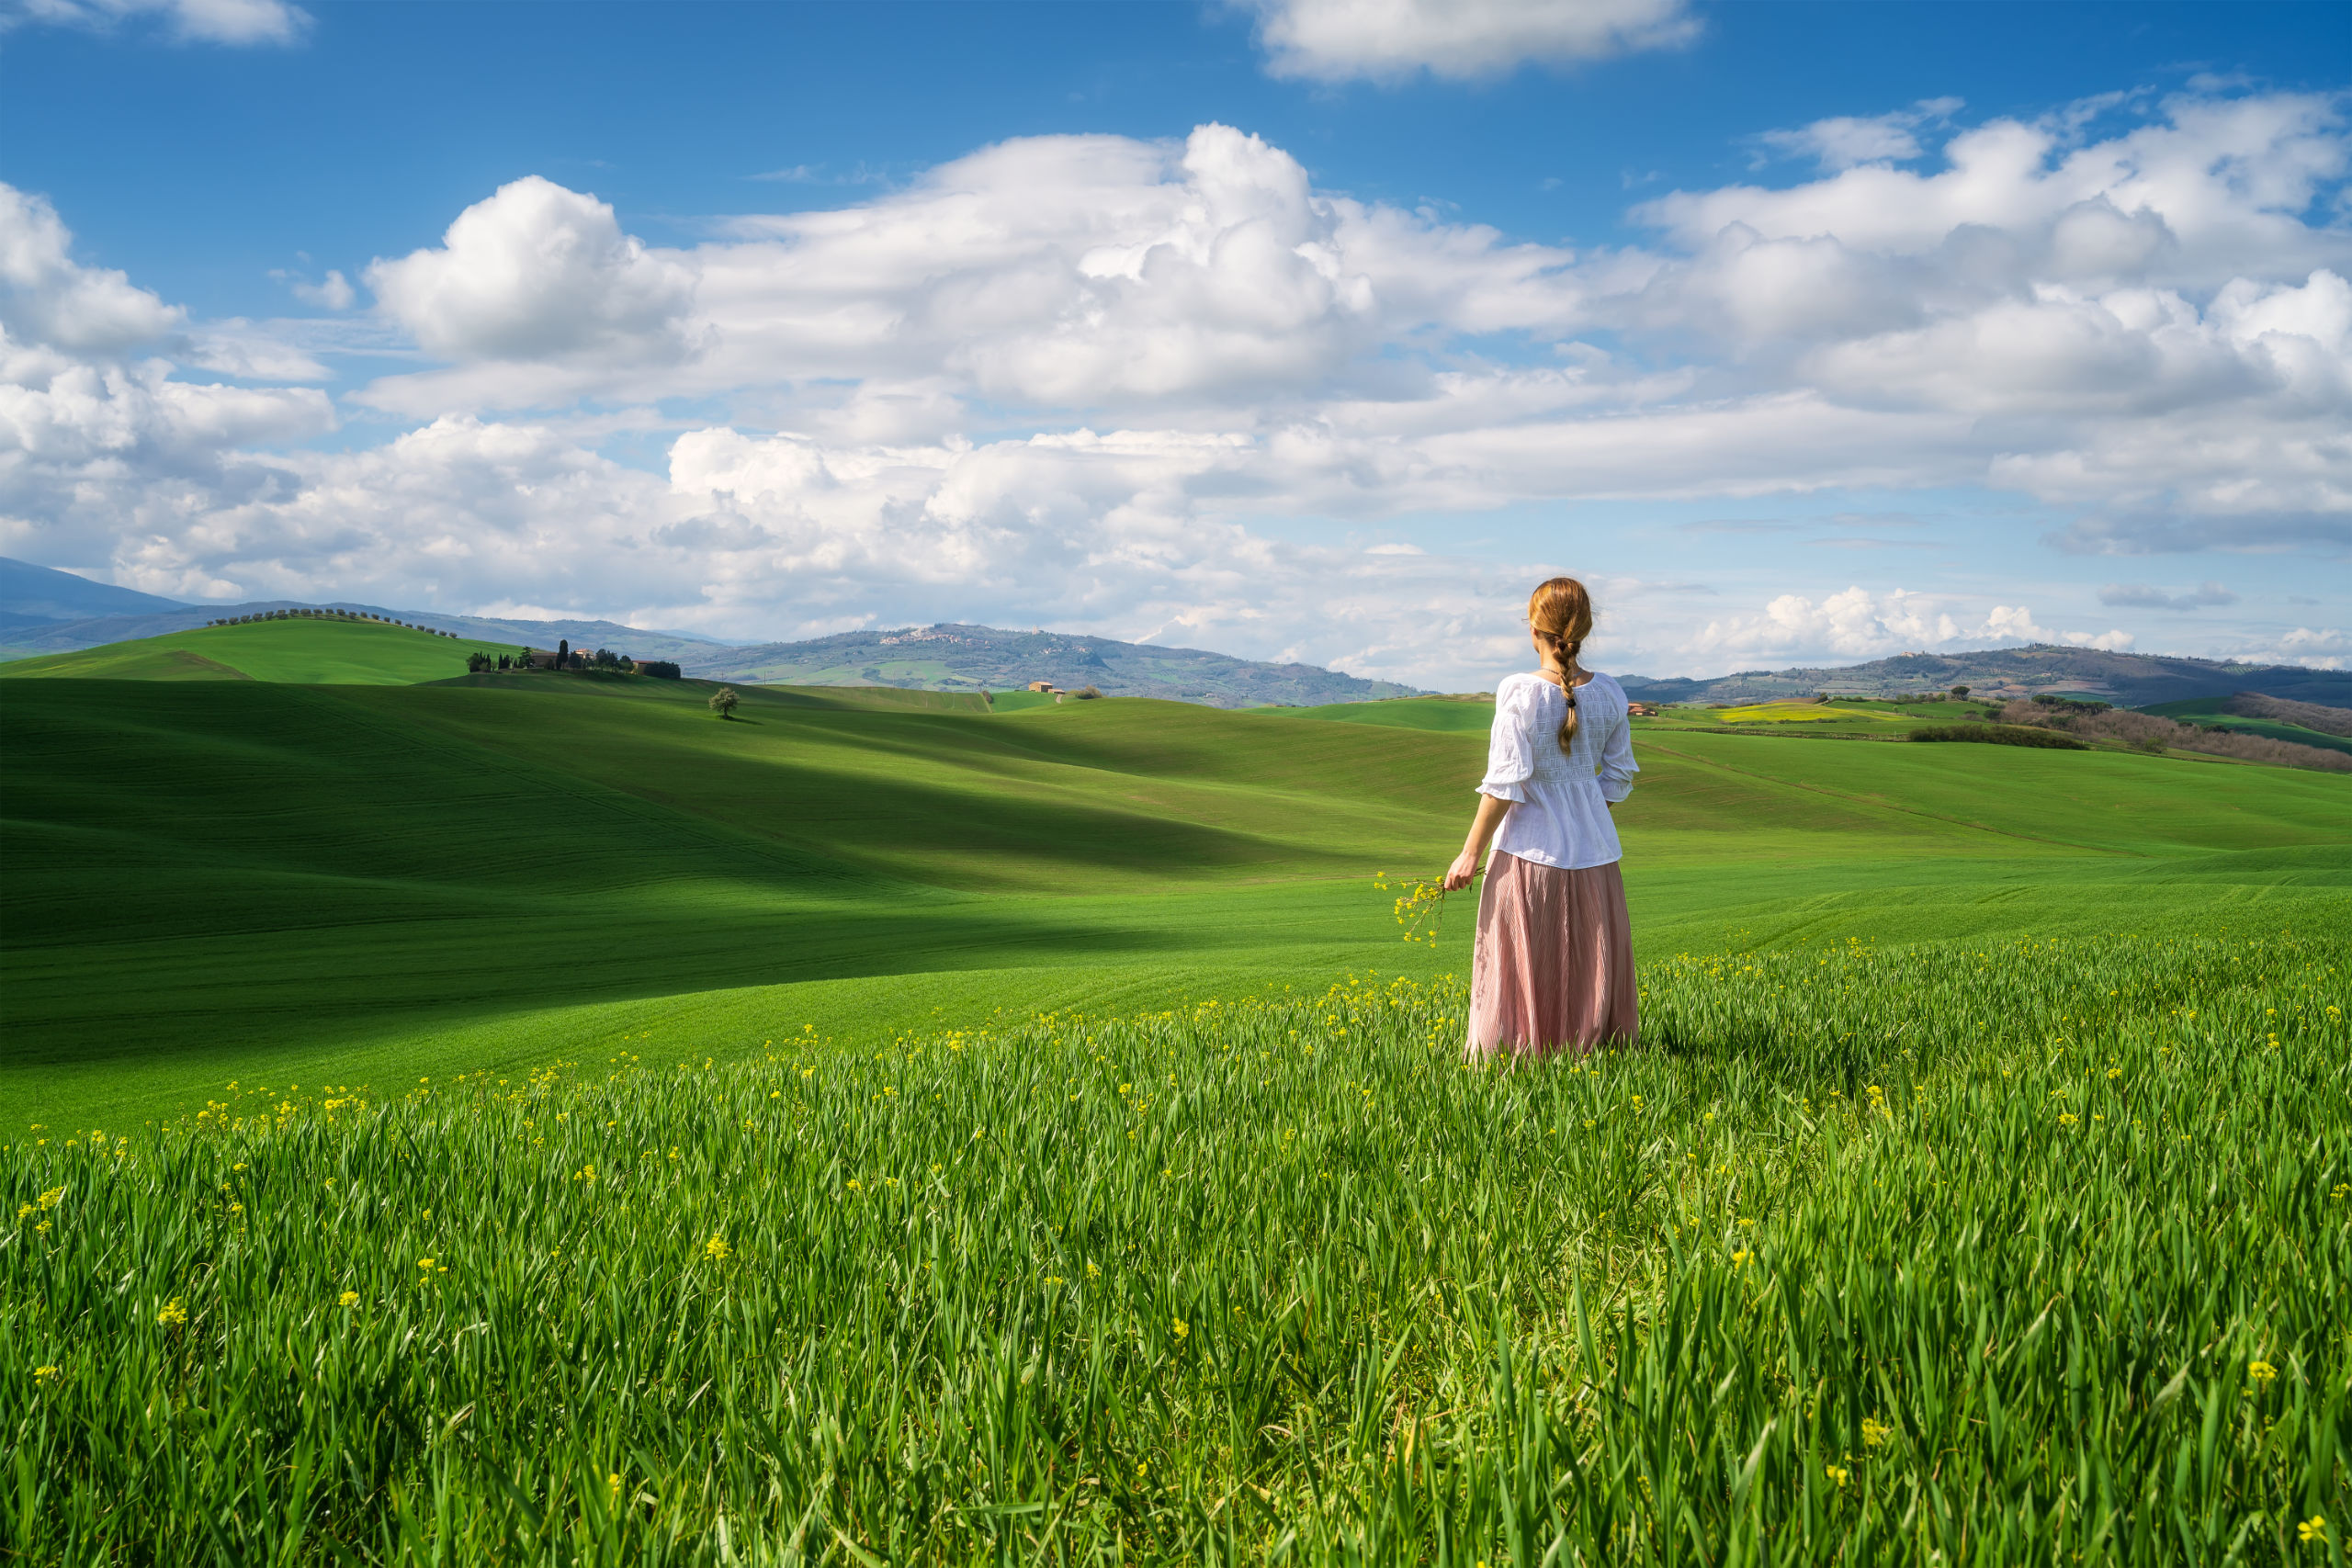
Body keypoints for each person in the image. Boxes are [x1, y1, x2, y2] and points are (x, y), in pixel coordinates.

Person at [1442, 576, 1639, 1058]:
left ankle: (1520, 1055)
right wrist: (1584, 813)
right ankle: (1591, 1052)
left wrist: (1469, 853)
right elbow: (1618, 777)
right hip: (1596, 857)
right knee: (1590, 961)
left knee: (1519, 962)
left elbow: (1505, 784)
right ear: (1585, 630)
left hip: (1527, 856)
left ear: (1534, 630)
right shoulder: (1611, 692)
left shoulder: (1519, 691)